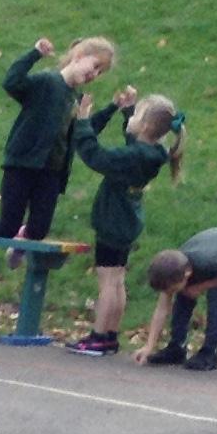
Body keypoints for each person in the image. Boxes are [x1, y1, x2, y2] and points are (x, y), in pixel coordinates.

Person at [0, 35, 114, 248]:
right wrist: (35, 53)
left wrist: (112, 107)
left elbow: (84, 131)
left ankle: (19, 245)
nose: (94, 74)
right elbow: (12, 83)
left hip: (51, 173)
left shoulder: (76, 98)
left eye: (100, 72)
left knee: (38, 231)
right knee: (7, 228)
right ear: (79, 56)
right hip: (23, 164)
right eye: (95, 66)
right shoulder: (48, 82)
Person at [64, 90, 181, 356]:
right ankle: (110, 335)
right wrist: (127, 110)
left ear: (146, 126)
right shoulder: (154, 152)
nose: (133, 118)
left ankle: (98, 335)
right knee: (117, 278)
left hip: (112, 219)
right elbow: (134, 144)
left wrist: (83, 121)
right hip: (127, 220)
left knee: (107, 280)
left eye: (137, 114)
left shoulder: (133, 157)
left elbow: (95, 156)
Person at [133, 227, 217, 371]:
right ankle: (176, 348)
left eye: (172, 289)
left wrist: (201, 286)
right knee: (184, 296)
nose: (170, 293)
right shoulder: (173, 270)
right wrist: (149, 346)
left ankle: (210, 352)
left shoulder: (212, 261)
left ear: (187, 274)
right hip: (208, 248)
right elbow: (162, 309)